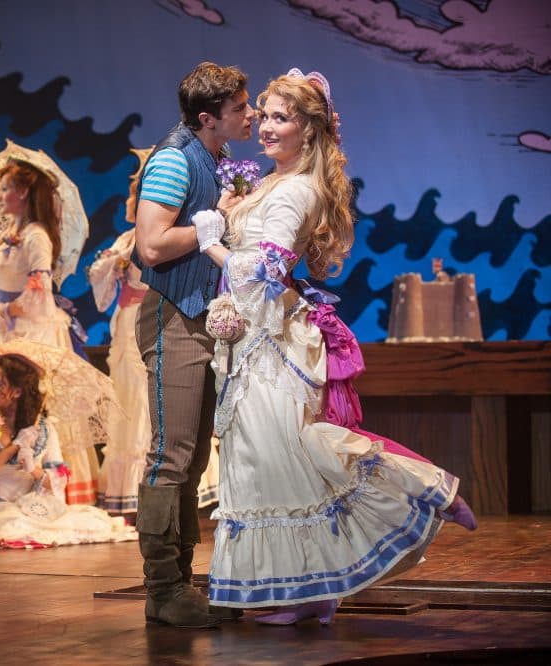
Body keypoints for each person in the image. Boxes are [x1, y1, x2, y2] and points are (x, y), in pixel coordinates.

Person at [193, 69, 476, 625]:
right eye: (266, 115)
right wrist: (227, 212)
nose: (266, 127)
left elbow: (270, 268)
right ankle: (311, 591)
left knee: (283, 457)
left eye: (281, 117)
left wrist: (213, 247)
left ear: (310, 129)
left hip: (270, 341)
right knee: (271, 459)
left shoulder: (296, 188)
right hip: (254, 336)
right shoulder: (272, 182)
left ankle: (411, 499)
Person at [132, 61, 255, 628]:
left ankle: (182, 581)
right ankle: (162, 589)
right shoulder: (174, 158)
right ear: (209, 118)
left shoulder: (214, 159)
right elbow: (152, 246)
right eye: (240, 108)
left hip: (205, 318)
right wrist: (213, 224)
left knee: (194, 458)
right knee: (171, 457)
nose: (249, 114)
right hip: (174, 317)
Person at [88, 159, 221, 517]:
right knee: (129, 398)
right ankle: (132, 496)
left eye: (137, 195)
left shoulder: (161, 236)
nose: (131, 203)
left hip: (154, 314)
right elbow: (101, 284)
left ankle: (166, 492)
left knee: (157, 399)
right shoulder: (125, 239)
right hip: (127, 320)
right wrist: (110, 265)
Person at [0, 158, 102, 506]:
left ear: (23, 193)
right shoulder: (9, 237)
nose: (1, 195)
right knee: (10, 399)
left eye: (6, 188)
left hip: (32, 329)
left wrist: (9, 309)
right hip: (10, 327)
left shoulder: (37, 236)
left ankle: (48, 482)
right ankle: (9, 479)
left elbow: (39, 287)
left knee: (35, 399)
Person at [0, 353, 134, 549]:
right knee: (13, 525)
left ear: (17, 392)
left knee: (89, 521)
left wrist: (33, 469)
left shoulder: (42, 429)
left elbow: (56, 482)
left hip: (30, 505)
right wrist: (14, 447)